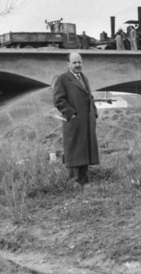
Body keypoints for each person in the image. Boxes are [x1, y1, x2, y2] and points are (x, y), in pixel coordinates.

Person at [53, 53, 99, 185]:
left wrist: (94, 113)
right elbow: (59, 100)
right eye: (74, 63)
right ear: (68, 64)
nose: (78, 65)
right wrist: (72, 115)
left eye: (79, 62)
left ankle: (85, 185)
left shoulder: (84, 78)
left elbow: (90, 97)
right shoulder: (62, 79)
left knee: (85, 152)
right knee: (74, 152)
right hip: (74, 123)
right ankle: (73, 185)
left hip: (87, 122)